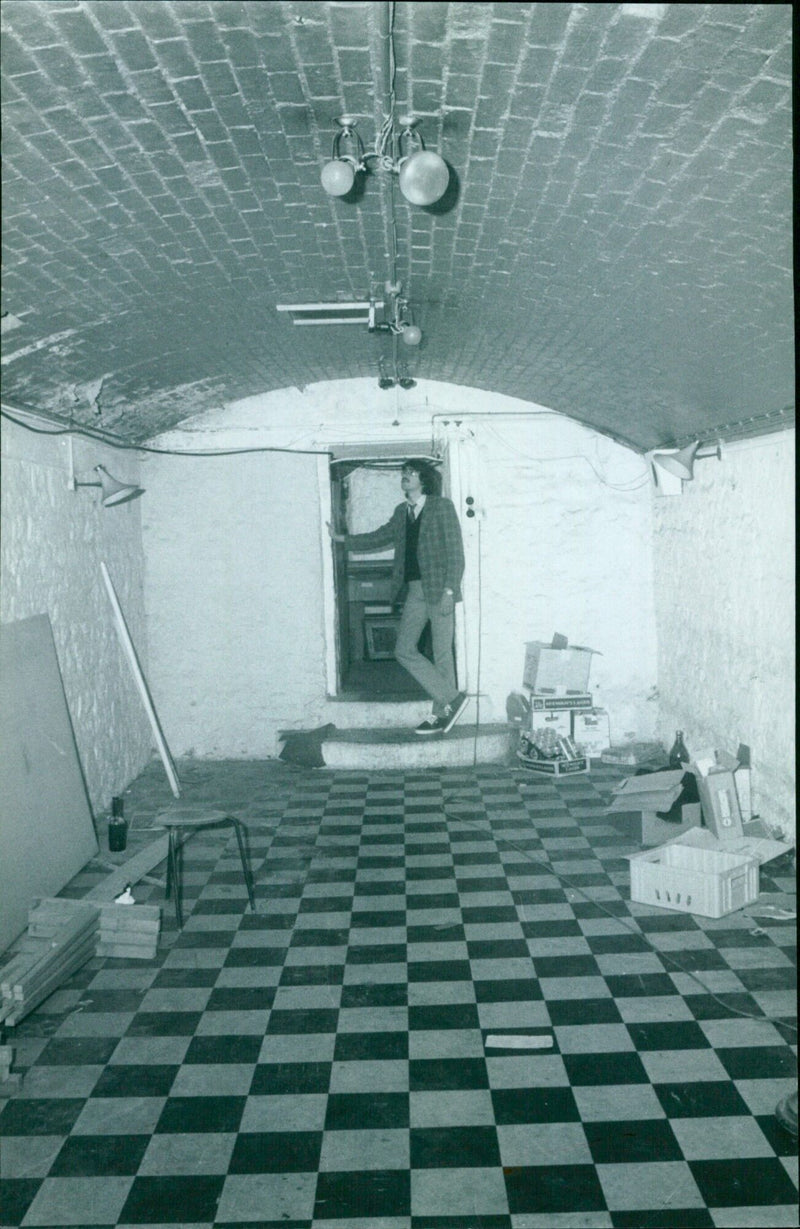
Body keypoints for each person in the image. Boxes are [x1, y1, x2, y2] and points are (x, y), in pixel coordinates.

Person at [328, 459, 468, 735]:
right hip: (415, 590)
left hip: (440, 590)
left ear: (424, 479)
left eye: (410, 473)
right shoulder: (401, 512)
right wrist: (342, 539)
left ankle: (441, 715)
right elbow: (380, 537)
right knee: (404, 649)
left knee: (442, 654)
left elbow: (455, 553)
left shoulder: (442, 507)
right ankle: (451, 699)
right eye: (403, 473)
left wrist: (450, 591)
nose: (405, 476)